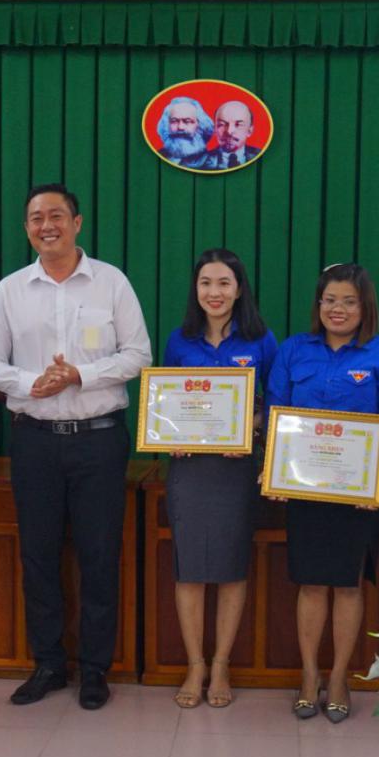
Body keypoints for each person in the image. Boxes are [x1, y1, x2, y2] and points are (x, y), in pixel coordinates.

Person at [0, 183, 152, 710]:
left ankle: (96, 669)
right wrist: (34, 385)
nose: (45, 225)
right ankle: (48, 663)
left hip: (99, 442)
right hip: (34, 442)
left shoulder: (111, 283)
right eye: (35, 218)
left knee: (100, 557)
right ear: (27, 227)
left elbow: (138, 353)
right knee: (39, 556)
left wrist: (79, 375)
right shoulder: (10, 290)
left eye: (56, 215)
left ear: (77, 222)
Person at [265, 263, 379, 723]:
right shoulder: (293, 350)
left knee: (347, 586)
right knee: (310, 583)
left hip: (356, 495)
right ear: (318, 305)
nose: (337, 309)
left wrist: (375, 478)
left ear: (364, 307)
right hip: (304, 492)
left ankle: (341, 675)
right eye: (329, 300)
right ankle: (309, 675)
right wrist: (278, 473)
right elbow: (275, 415)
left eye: (348, 301)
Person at [163, 248, 277, 709]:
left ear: (239, 289)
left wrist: (247, 427)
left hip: (235, 468)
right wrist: (170, 433)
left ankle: (223, 663)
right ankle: (195, 664)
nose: (215, 292)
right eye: (206, 283)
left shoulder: (261, 340)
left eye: (224, 283)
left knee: (231, 567)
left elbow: (275, 404)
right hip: (189, 469)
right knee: (189, 568)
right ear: (196, 289)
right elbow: (165, 402)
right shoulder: (179, 340)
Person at [156, 97, 214, 169]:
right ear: (166, 125)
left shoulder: (213, 162)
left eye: (187, 121)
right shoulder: (156, 157)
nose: (180, 127)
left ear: (200, 126)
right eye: (174, 121)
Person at [202, 100, 262, 170]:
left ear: (249, 131)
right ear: (215, 129)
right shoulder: (201, 161)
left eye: (238, 125)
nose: (229, 131)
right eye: (222, 124)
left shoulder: (261, 156)